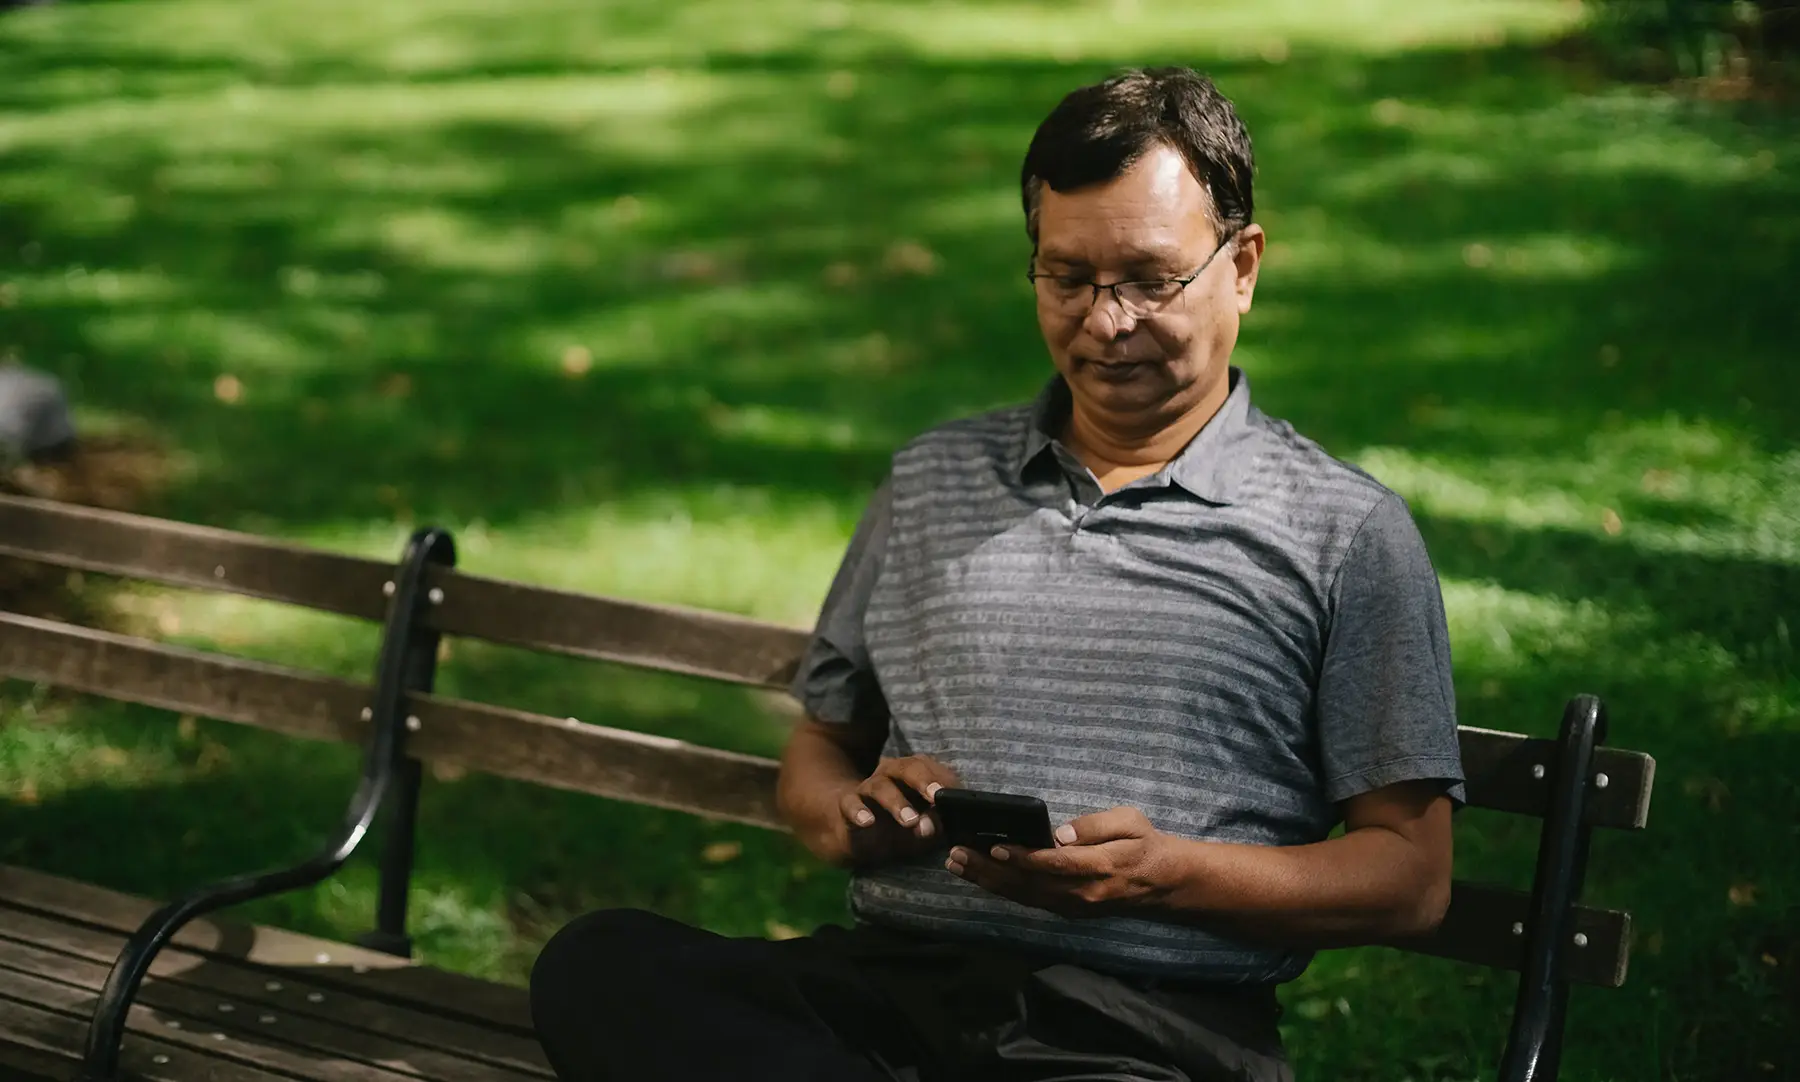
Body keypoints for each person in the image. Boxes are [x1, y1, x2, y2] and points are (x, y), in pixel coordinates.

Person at [530, 67, 1464, 1082]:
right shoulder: (933, 477)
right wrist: (855, 816)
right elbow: (819, 748)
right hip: (886, 994)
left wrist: (1167, 876)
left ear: (1241, 266)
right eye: (1067, 277)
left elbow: (1409, 877)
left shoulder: (1343, 531)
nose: (1106, 323)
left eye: (1151, 279)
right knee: (601, 961)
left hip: (1141, 1033)